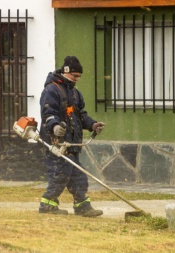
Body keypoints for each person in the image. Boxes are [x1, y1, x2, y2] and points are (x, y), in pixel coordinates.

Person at [38, 56, 105, 217]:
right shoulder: (51, 90)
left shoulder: (75, 94)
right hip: (56, 143)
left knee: (78, 177)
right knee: (60, 174)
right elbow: (48, 113)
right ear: (65, 72)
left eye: (79, 77)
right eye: (74, 76)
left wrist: (92, 125)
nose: (77, 79)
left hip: (71, 144)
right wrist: (54, 127)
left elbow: (80, 115)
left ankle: (82, 206)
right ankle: (47, 204)